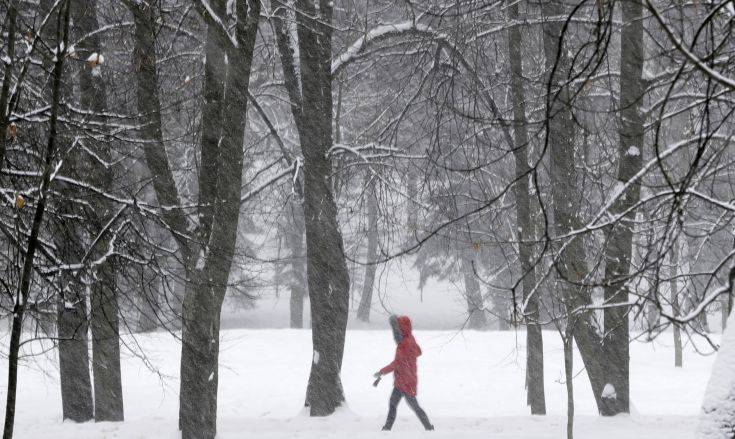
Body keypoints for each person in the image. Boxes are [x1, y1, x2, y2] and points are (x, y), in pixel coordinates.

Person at [374, 315, 434, 431]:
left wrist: (382, 372)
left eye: (398, 327)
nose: (396, 330)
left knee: (413, 406)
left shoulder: (405, 344)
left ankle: (428, 427)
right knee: (395, 403)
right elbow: (414, 353)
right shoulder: (410, 338)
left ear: (402, 328)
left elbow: (397, 363)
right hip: (405, 381)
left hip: (405, 382)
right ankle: (387, 428)